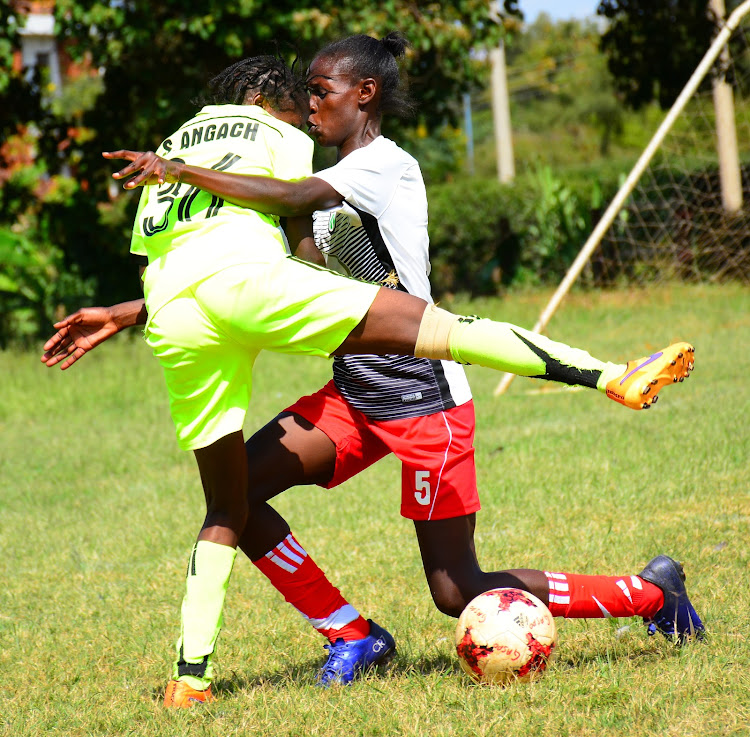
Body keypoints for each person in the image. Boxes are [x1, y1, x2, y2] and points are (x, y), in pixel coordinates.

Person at [42, 36, 702, 708]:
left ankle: (648, 590)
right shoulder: (305, 180)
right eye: (307, 93)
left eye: (322, 90)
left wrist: (183, 170)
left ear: (366, 95)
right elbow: (280, 277)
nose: (311, 104)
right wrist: (133, 310)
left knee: (454, 590)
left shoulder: (381, 166)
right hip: (354, 394)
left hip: (423, 396)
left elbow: (289, 192)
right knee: (237, 498)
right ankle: (350, 633)